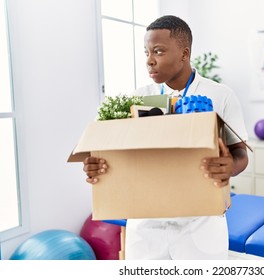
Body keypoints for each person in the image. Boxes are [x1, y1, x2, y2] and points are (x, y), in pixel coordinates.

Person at [83, 15, 248, 260]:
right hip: (146, 223)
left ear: (184, 53)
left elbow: (241, 155)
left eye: (158, 51)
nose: (150, 61)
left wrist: (229, 167)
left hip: (200, 222)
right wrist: (100, 164)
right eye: (146, 52)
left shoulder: (220, 95)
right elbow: (124, 155)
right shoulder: (137, 99)